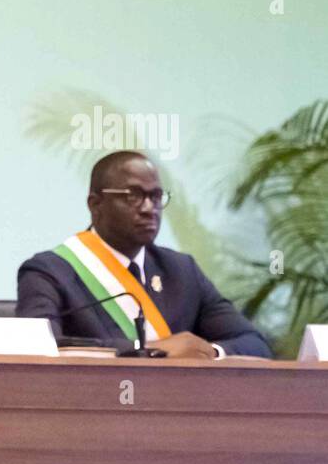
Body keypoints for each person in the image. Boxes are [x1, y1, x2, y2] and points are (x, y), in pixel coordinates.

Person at [16, 150, 272, 358]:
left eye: (156, 196)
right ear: (95, 204)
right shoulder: (49, 272)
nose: (149, 208)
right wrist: (151, 352)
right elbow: (39, 350)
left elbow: (254, 344)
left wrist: (210, 352)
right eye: (134, 196)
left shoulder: (181, 271)